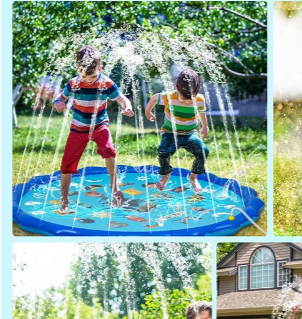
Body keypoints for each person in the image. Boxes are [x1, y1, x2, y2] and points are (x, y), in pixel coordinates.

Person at [52, 46, 134, 214]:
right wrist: (57, 103)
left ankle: (115, 187)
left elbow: (121, 98)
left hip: (99, 125)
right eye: (84, 76)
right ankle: (65, 200)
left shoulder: (106, 82)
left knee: (109, 150)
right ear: (78, 69)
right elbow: (61, 97)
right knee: (67, 163)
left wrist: (127, 107)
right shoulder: (74, 83)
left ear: (100, 68)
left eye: (93, 76)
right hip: (78, 127)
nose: (88, 80)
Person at [144, 68, 210, 194]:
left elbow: (202, 112)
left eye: (190, 99)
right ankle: (165, 175)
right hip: (170, 132)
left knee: (203, 151)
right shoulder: (169, 97)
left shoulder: (200, 100)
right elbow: (154, 98)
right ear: (177, 89)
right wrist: (148, 111)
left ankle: (193, 177)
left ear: (198, 90)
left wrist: (204, 126)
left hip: (190, 133)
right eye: (183, 98)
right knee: (163, 151)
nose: (186, 102)